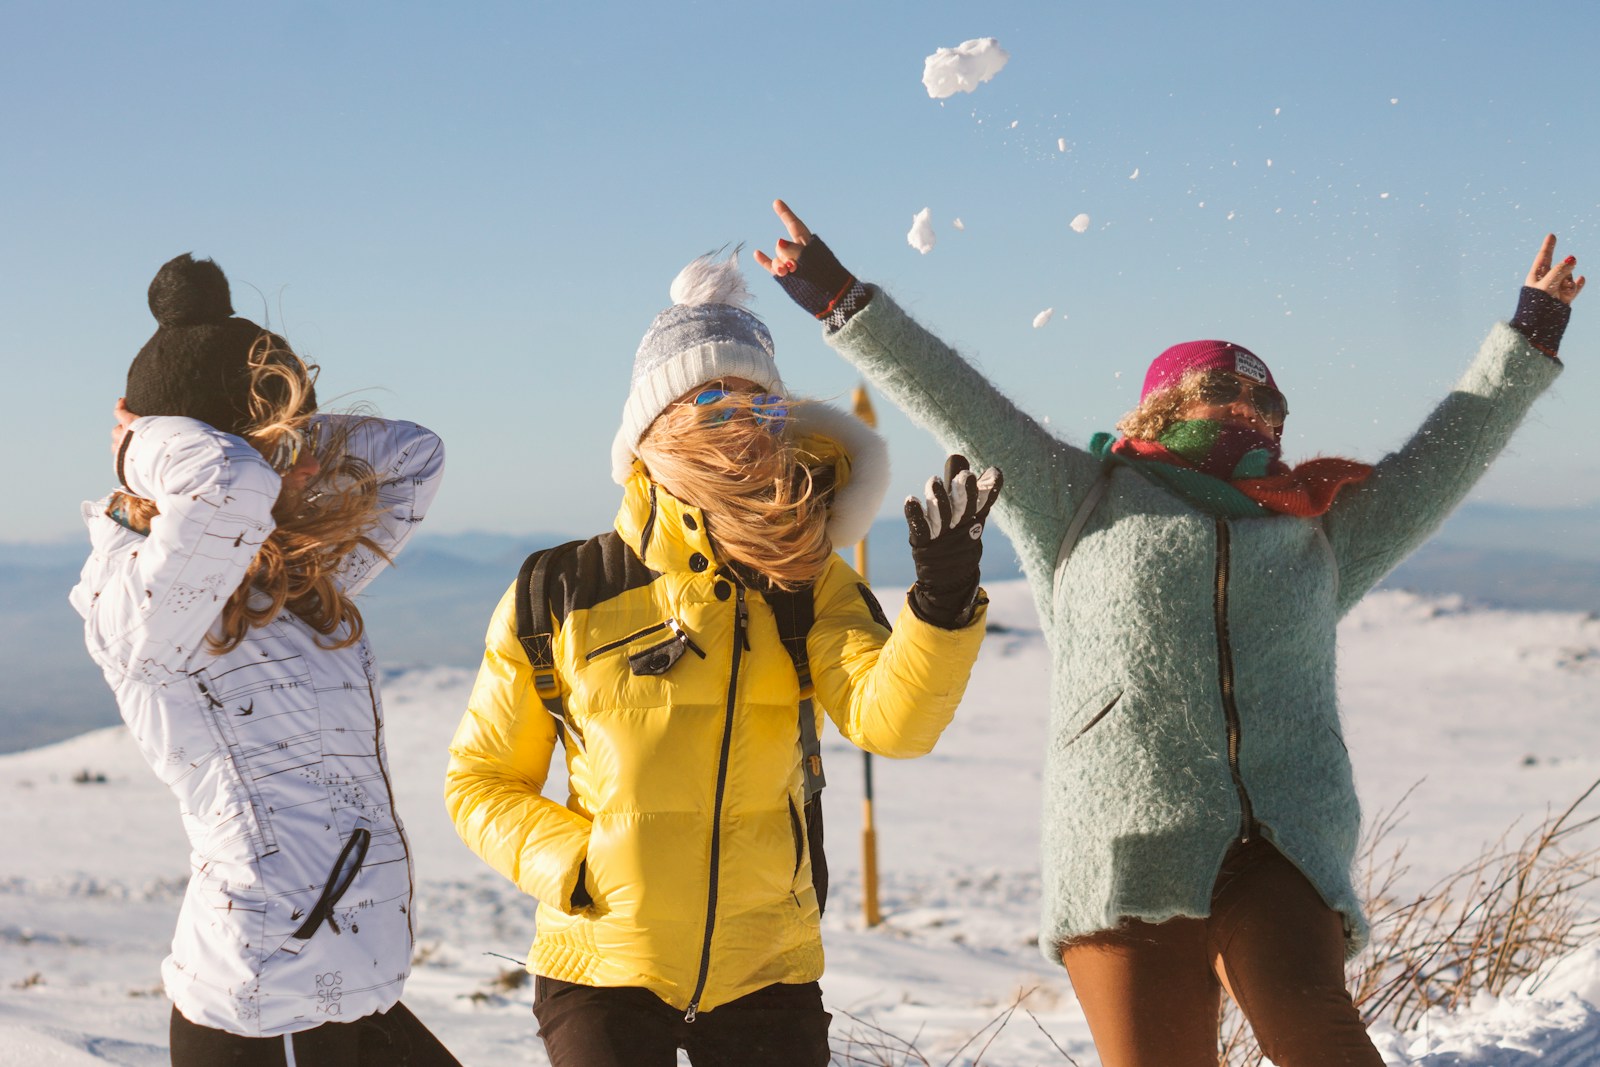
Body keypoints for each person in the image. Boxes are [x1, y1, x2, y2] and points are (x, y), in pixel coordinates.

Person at [756, 201, 1583, 1067]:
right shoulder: (1077, 496)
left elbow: (1439, 465)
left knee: (1327, 1045)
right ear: (1161, 407)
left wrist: (1529, 335)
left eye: (1266, 402)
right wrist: (841, 298)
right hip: (1124, 849)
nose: (1249, 413)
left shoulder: (1314, 528)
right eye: (1223, 394)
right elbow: (960, 402)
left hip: (1282, 843)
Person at [444, 251, 1001, 1067]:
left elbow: (892, 722)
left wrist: (941, 604)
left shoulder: (808, 577)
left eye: (759, 402)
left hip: (765, 967)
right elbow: (481, 780)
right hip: (601, 963)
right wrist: (579, 864)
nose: (739, 420)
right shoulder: (562, 587)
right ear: (654, 423)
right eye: (711, 397)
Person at [70, 254, 457, 1066]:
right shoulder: (147, 604)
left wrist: (290, 426)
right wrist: (141, 440)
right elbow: (224, 483)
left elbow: (416, 455)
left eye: (304, 440)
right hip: (262, 1010)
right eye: (280, 449)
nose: (309, 466)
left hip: (350, 991)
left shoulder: (296, 579)